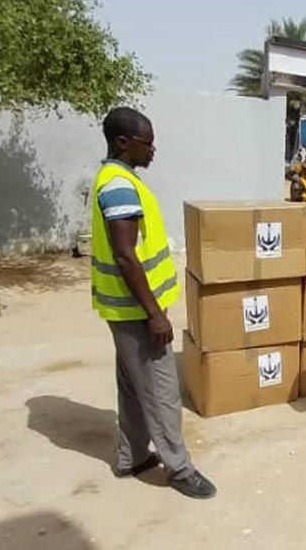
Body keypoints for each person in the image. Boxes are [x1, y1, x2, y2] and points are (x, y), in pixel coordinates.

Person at [91, 107, 216, 499]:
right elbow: (126, 255)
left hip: (123, 309)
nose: (154, 149)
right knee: (162, 392)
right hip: (136, 311)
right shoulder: (119, 186)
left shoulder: (118, 178)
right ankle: (178, 469)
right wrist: (155, 313)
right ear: (122, 142)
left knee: (131, 387)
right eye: (148, 142)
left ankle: (132, 457)